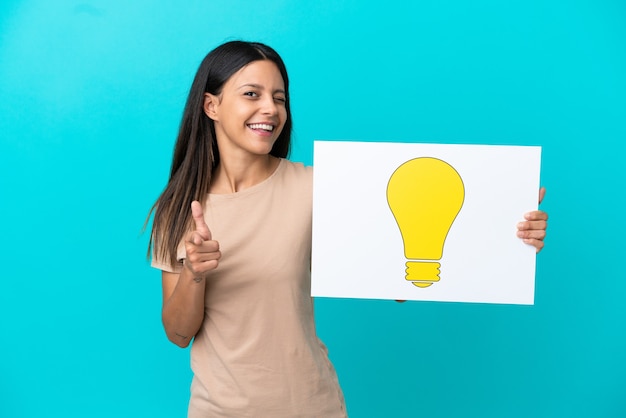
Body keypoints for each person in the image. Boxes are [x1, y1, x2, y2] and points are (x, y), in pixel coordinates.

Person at [147, 40, 548, 417]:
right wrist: (195, 276)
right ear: (211, 105)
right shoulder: (179, 209)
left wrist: (505, 233)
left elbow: (396, 286)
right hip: (218, 410)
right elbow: (179, 333)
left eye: (279, 98)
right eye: (252, 94)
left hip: (312, 406)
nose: (270, 108)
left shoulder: (319, 188)